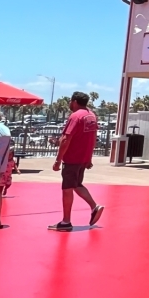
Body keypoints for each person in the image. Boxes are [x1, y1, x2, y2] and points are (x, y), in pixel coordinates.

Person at [49, 92, 104, 232]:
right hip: (82, 158)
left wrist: (58, 160)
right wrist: (89, 158)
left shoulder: (75, 116)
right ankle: (94, 207)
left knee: (67, 188)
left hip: (72, 158)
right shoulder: (91, 116)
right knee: (76, 184)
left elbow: (66, 140)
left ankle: (66, 221)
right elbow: (93, 138)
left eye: (70, 101)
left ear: (74, 101)